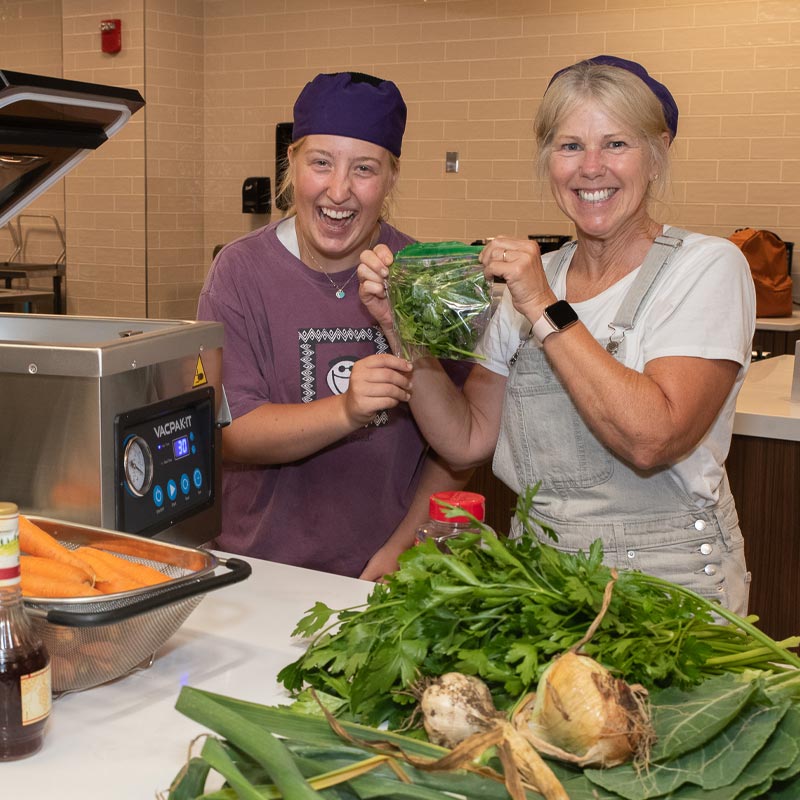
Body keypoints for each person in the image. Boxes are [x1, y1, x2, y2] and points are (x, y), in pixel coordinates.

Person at [358, 55, 756, 613]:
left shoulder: (706, 267)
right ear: (548, 160)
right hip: (541, 586)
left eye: (616, 144)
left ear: (657, 153)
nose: (591, 168)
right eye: (570, 146)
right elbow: (466, 439)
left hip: (669, 594)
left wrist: (543, 303)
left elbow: (652, 437)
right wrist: (402, 331)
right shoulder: (535, 280)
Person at [197, 71, 468, 580]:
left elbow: (458, 445)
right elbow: (231, 433)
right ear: (292, 164)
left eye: (364, 168)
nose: (338, 190)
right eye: (320, 163)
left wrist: (402, 547)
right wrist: (346, 409)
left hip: (392, 571)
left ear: (391, 178)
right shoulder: (239, 272)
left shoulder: (421, 275)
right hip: (260, 567)